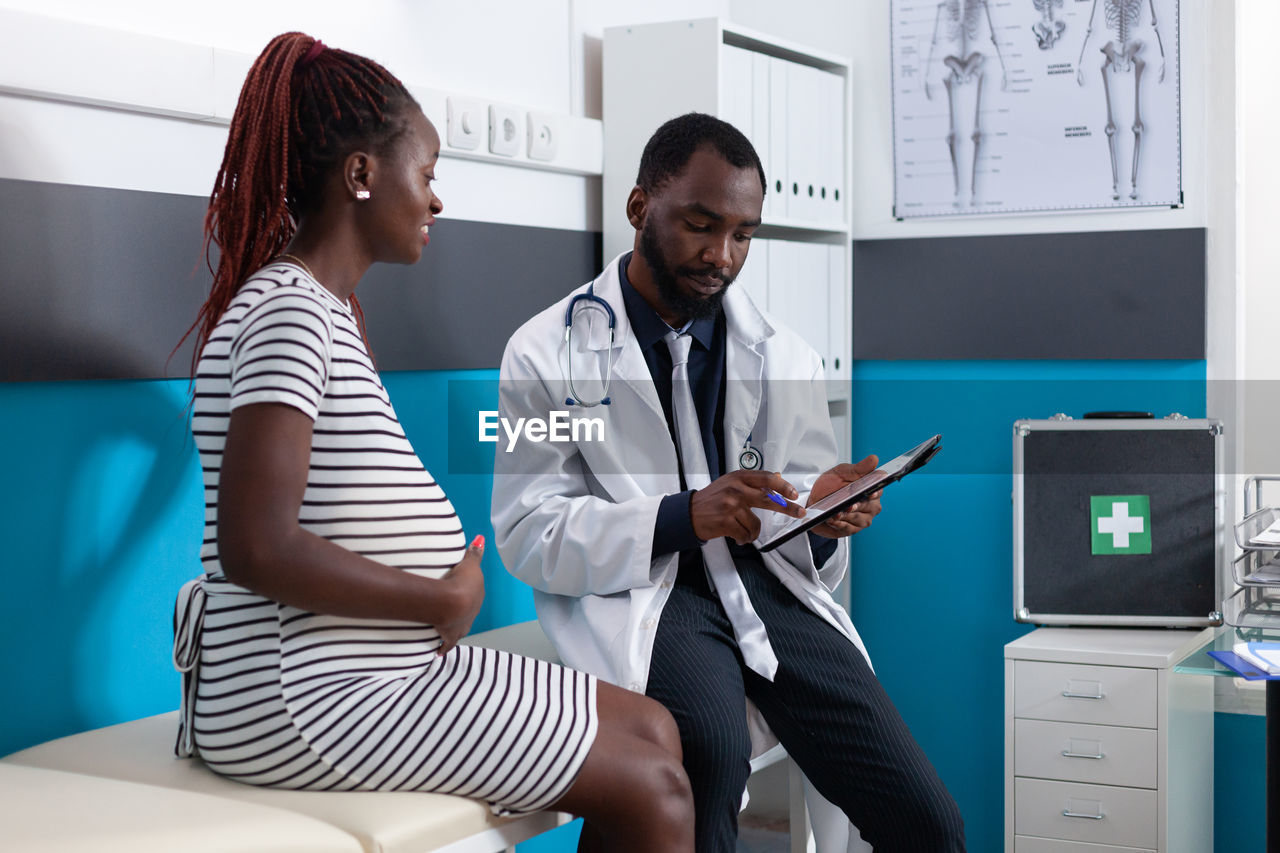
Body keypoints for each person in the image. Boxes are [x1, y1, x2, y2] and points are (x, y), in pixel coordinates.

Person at [172, 32, 694, 852]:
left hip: (372, 671)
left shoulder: (316, 311)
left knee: (656, 731)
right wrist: (438, 599)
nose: (436, 200)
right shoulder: (290, 312)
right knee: (654, 784)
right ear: (360, 175)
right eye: (428, 173)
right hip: (309, 694)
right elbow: (254, 547)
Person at [492, 113, 965, 852]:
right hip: (651, 592)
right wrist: (684, 516)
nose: (722, 255)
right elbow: (529, 531)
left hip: (770, 586)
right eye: (700, 225)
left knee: (929, 822)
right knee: (707, 751)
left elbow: (800, 512)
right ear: (640, 207)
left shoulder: (784, 354)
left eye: (743, 234)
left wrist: (822, 511)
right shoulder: (544, 352)